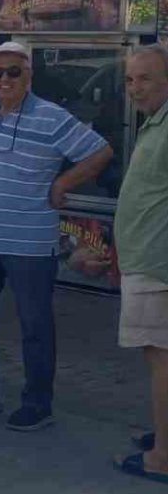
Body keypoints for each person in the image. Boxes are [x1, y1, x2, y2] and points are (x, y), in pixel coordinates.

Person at [0, 41, 113, 431]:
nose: (4, 79)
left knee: (35, 324)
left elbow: (100, 152)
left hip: (31, 243)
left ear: (29, 75)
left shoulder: (52, 117)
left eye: (12, 72)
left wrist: (64, 183)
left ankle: (38, 403)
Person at [114, 46, 168, 482]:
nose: (135, 89)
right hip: (147, 262)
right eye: (130, 80)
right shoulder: (157, 123)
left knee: (162, 360)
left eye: (145, 78)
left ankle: (162, 458)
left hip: (159, 267)